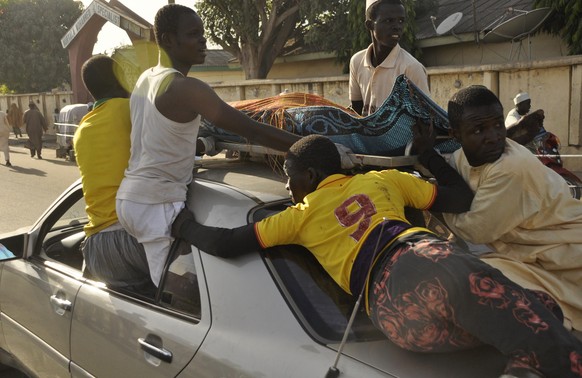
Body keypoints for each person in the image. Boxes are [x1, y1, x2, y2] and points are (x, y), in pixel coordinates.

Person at [172, 134, 582, 378]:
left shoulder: (298, 216)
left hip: (396, 318)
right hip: (428, 267)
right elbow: (458, 198)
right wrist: (429, 156)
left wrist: (183, 225)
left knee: (534, 324)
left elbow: (225, 243)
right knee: (548, 335)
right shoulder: (382, 179)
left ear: (310, 177)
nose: (287, 185)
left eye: (289, 176)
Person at [116, 4, 358, 287]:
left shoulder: (146, 79)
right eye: (194, 34)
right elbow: (250, 129)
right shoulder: (187, 88)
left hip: (131, 198)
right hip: (158, 203)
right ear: (168, 40)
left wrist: (200, 145)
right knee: (174, 295)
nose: (204, 41)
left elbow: (158, 136)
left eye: (203, 33)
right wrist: (318, 146)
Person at [421, 85, 582, 336]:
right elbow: (453, 178)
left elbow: (475, 229)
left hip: (568, 256)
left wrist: (432, 183)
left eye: (498, 125)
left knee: (479, 280)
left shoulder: (510, 168)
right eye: (478, 130)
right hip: (532, 255)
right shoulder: (460, 159)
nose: (494, 136)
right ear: (456, 135)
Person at [73, 55, 155, 293]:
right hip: (136, 239)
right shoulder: (131, 110)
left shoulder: (82, 130)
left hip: (97, 248)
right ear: (120, 82)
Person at [349, 0, 430, 116]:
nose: (397, 27)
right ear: (370, 25)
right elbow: (356, 111)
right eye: (388, 21)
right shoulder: (357, 61)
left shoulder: (411, 68)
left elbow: (426, 117)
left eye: (401, 21)